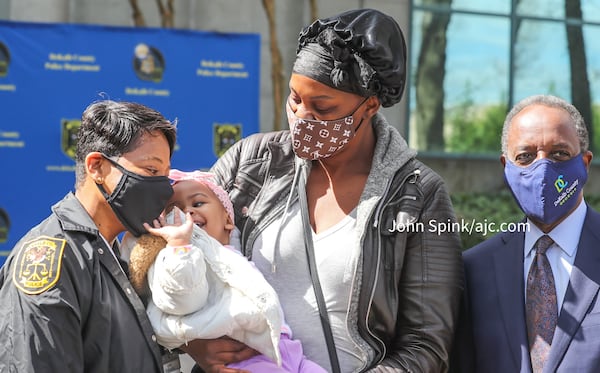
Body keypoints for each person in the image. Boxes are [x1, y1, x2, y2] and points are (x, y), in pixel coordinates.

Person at [184, 8, 464, 373]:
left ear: (369, 106)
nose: (302, 116)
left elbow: (427, 343)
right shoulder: (252, 162)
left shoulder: (417, 196)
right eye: (295, 98)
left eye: (322, 107)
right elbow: (173, 248)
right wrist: (195, 342)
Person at [0, 100, 178, 372]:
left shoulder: (118, 256)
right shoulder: (52, 260)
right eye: (151, 170)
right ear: (96, 166)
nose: (163, 188)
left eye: (165, 175)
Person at [453, 94, 600, 372]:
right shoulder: (474, 269)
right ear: (505, 168)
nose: (542, 168)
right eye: (525, 156)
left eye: (559, 153)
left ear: (585, 163)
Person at [126, 169, 327, 373]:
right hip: (243, 355)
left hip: (286, 349)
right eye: (173, 210)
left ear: (228, 220)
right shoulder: (181, 258)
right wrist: (179, 246)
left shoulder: (232, 255)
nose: (187, 212)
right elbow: (181, 297)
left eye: (197, 203)